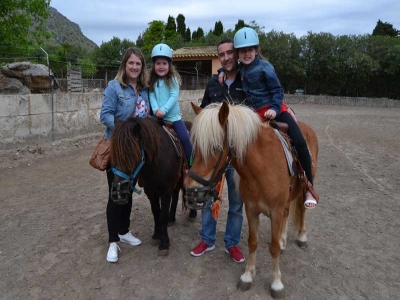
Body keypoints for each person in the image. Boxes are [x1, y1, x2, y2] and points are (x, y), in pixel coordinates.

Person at [230, 27, 319, 209]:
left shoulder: (265, 67)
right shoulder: (240, 69)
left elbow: (277, 91)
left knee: (300, 142)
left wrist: (273, 108)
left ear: (256, 50)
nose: (247, 54)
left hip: (275, 111)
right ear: (238, 54)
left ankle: (308, 187)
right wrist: (223, 74)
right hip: (253, 116)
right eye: (242, 51)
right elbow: (229, 72)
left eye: (250, 50)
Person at [190, 39, 246, 263]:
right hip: (214, 153)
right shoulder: (213, 83)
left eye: (230, 53)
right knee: (207, 196)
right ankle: (207, 239)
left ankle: (231, 243)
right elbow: (203, 112)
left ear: (236, 54)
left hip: (236, 155)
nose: (226, 57)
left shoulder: (247, 80)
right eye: (222, 54)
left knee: (236, 202)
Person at [100, 47, 150, 263]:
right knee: (116, 192)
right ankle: (113, 241)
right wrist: (125, 130)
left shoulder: (145, 89)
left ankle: (124, 231)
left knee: (128, 191)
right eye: (131, 63)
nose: (134, 67)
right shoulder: (114, 87)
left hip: (136, 151)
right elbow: (105, 115)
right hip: (118, 147)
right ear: (124, 65)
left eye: (138, 63)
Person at [148, 43, 193, 167]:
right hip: (157, 117)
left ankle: (191, 164)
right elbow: (151, 95)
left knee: (185, 139)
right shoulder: (152, 80)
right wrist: (156, 109)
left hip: (173, 119)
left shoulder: (172, 79)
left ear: (169, 65)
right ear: (154, 65)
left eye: (164, 63)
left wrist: (163, 109)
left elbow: (173, 96)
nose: (161, 66)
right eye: (158, 63)